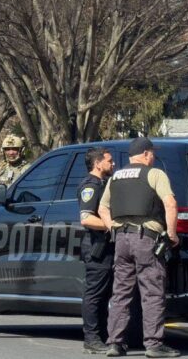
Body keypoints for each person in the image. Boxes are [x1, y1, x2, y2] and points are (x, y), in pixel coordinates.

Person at [98, 137, 180, 358]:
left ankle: (115, 343)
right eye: (152, 152)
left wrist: (113, 228)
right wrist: (171, 234)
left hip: (121, 240)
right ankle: (153, 345)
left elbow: (102, 208)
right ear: (145, 154)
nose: (153, 156)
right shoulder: (155, 174)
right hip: (146, 239)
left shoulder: (115, 177)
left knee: (121, 293)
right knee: (152, 292)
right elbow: (170, 203)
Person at [78, 147, 115, 354]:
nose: (113, 164)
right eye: (109, 161)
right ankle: (91, 338)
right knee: (94, 294)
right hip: (97, 248)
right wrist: (113, 225)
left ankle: (101, 336)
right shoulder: (90, 186)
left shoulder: (104, 183)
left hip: (108, 247)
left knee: (105, 295)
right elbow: (86, 218)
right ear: (97, 163)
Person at [0, 134, 31, 200]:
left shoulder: (28, 169)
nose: (11, 153)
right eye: (7, 149)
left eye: (14, 149)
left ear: (21, 150)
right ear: (3, 151)